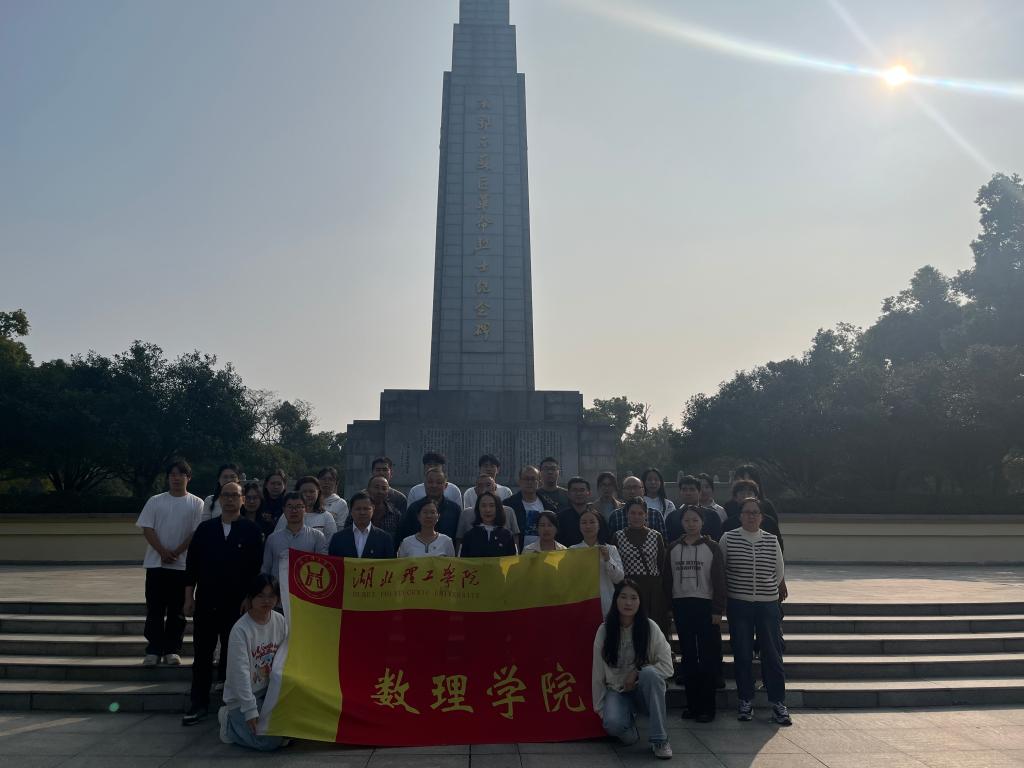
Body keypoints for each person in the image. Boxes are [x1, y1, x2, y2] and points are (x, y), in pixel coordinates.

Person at [183, 481, 264, 725]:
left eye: (234, 495)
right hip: (207, 601)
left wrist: (249, 598)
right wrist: (188, 597)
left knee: (235, 655)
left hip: (237, 604)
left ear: (242, 499)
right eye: (225, 495)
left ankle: (234, 705)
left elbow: (255, 569)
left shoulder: (251, 530)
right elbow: (192, 565)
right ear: (218, 499)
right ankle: (198, 703)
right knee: (203, 653)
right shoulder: (205, 529)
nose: (229, 499)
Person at [720, 498, 791, 726]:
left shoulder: (771, 540)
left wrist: (768, 592)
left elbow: (778, 571)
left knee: (772, 653)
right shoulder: (728, 538)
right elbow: (721, 569)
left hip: (767, 604)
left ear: (761, 517)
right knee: (742, 653)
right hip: (739, 604)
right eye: (747, 512)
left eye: (755, 512)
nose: (751, 516)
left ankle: (778, 702)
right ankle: (745, 700)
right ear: (740, 516)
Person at [591, 580, 674, 759]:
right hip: (617, 691)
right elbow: (597, 674)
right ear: (615, 600)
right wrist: (602, 711)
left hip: (644, 691)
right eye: (623, 597)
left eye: (633, 598)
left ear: (640, 602)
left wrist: (636, 672)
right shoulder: (605, 630)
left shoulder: (650, 627)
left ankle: (660, 740)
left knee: (650, 674)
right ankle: (630, 725)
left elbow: (668, 667)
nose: (628, 603)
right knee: (613, 725)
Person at [136, 459, 204, 667]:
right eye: (172, 474)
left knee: (177, 611)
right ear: (167, 478)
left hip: (182, 566)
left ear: (188, 478)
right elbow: (147, 528)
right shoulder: (155, 501)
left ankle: (173, 649)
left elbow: (196, 532)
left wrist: (177, 551)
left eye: (181, 474)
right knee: (155, 609)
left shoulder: (197, 503)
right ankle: (154, 650)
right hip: (156, 565)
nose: (176, 478)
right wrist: (162, 551)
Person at [663, 506, 726, 723]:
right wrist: (669, 607)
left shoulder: (712, 547)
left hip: (705, 605)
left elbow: (719, 579)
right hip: (682, 605)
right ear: (681, 523)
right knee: (688, 655)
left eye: (695, 520)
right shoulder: (673, 548)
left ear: (702, 522)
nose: (691, 524)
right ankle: (692, 705)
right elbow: (667, 580)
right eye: (687, 520)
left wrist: (718, 609)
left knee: (707, 656)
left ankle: (707, 707)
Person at [217, 574, 288, 752]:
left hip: (270, 693)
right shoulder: (241, 630)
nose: (267, 601)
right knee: (270, 742)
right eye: (261, 596)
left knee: (293, 730)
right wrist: (250, 710)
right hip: (244, 699)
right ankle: (229, 723)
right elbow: (239, 674)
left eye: (271, 596)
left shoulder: (280, 621)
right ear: (250, 597)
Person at [613, 498, 671, 638]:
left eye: (640, 513)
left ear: (646, 515)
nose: (636, 517)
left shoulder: (656, 536)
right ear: (627, 514)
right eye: (633, 513)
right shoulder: (618, 536)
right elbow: (615, 566)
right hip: (629, 589)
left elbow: (662, 566)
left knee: (654, 630)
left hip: (653, 591)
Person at [570, 508, 624, 615]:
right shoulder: (573, 550)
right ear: (579, 526)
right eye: (584, 522)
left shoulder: (610, 549)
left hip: (606, 601)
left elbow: (619, 578)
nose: (588, 526)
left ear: (599, 525)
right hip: (582, 602)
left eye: (592, 522)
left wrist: (608, 559)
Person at [261, 492, 328, 576]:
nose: (294, 511)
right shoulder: (272, 539)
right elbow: (266, 569)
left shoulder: (317, 537)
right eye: (290, 507)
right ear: (284, 509)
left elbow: (322, 568)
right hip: (278, 584)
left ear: (305, 509)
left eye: (299, 506)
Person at [455, 473, 519, 551]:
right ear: (476, 490)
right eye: (480, 486)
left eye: (488, 485)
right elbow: (459, 540)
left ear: (495, 488)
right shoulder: (466, 514)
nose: (484, 489)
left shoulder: (509, 511)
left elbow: (515, 538)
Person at [397, 467, 461, 543]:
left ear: (446, 486)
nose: (434, 485)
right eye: (430, 482)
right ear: (424, 484)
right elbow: (404, 536)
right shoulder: (414, 508)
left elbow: (458, 538)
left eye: (439, 482)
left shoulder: (454, 509)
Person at [506, 465, 559, 551]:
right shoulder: (509, 505)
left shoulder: (549, 506)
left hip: (543, 553)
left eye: (533, 479)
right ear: (519, 481)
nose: (529, 482)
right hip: (517, 553)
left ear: (539, 482)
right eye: (526, 479)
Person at [328, 492, 396, 558]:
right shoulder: (338, 538)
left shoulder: (384, 539)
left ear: (373, 509)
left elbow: (389, 564)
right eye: (358, 509)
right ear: (351, 511)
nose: (362, 512)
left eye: (366, 509)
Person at [721, 479, 784, 549]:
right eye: (742, 493)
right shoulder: (728, 524)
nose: (746, 496)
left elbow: (779, 546)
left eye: (749, 493)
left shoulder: (769, 522)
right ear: (735, 498)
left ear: (756, 497)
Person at [273, 476, 337, 541]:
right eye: (304, 492)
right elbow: (277, 539)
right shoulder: (287, 515)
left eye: (312, 491)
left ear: (318, 492)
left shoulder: (326, 517)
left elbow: (331, 541)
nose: (308, 495)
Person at [459, 491, 518, 557]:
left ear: (498, 508)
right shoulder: (468, 536)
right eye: (483, 506)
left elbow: (513, 560)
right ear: (478, 509)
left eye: (492, 506)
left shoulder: (507, 535)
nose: (487, 510)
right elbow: (462, 561)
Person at [665, 476, 722, 542]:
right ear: (679, 493)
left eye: (692, 489)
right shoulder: (672, 517)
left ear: (699, 492)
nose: (688, 493)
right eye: (684, 490)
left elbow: (717, 541)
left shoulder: (712, 516)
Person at [555, 477, 592, 546]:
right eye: (574, 490)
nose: (578, 493)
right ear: (568, 494)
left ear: (589, 493)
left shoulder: (597, 517)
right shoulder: (559, 518)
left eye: (582, 490)